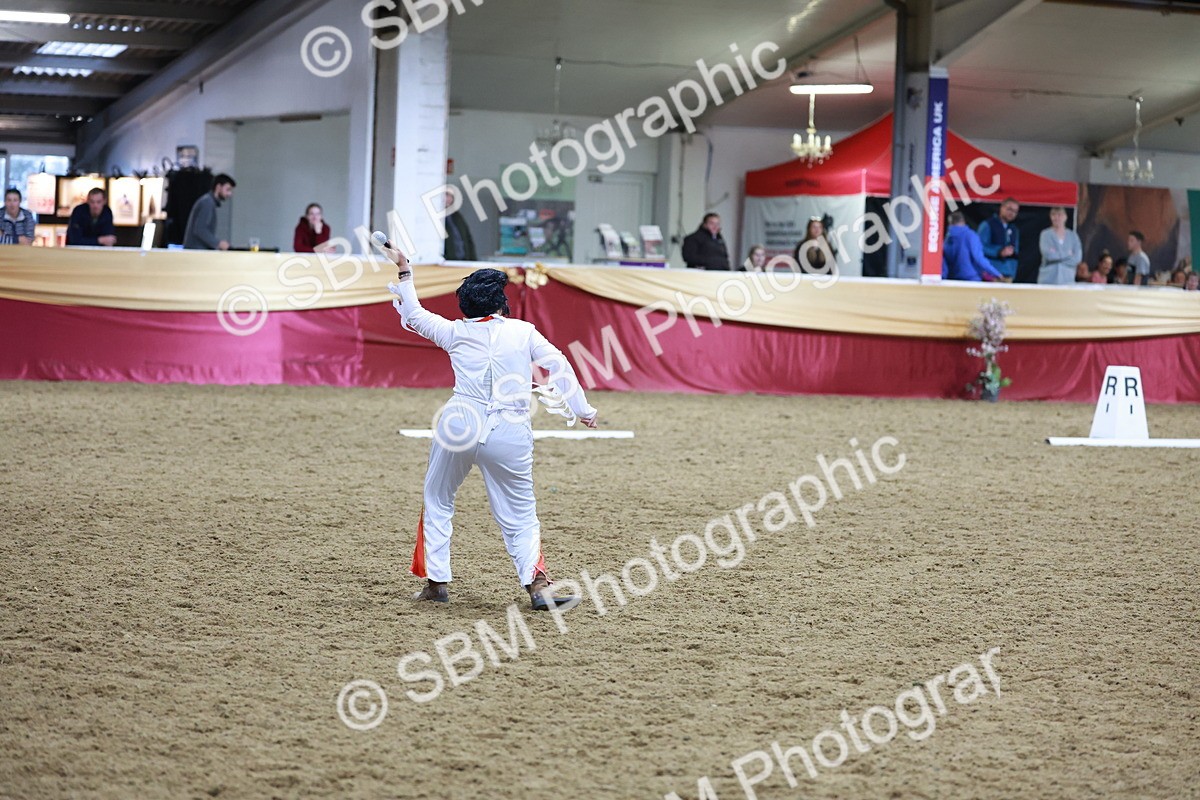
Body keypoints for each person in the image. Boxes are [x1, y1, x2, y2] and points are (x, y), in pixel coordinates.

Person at [377, 239, 597, 609]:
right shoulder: (523, 331)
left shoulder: (453, 332)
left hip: (459, 422)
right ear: (500, 304)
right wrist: (583, 409)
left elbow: (413, 313)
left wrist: (404, 269)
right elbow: (557, 364)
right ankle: (537, 587)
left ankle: (437, 582)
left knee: (437, 498)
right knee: (520, 513)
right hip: (510, 428)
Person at [942, 211, 1002, 281]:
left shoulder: (946, 240)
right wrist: (996, 273)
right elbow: (978, 258)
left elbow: (943, 262)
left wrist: (943, 278)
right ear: (963, 221)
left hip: (952, 279)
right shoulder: (971, 235)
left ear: (950, 223)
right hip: (971, 279)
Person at [183, 173, 236, 250]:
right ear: (218, 187)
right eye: (228, 189)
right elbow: (200, 229)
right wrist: (219, 243)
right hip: (197, 252)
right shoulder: (207, 202)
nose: (230, 194)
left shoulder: (207, 201)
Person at [1037, 206, 1083, 285]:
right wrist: (1068, 254)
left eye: (1059, 215)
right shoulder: (1045, 234)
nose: (1056, 217)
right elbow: (1048, 255)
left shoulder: (1073, 236)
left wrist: (1056, 254)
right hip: (1047, 280)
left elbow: (1077, 258)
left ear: (1065, 217)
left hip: (1067, 280)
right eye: (1053, 214)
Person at [978, 197, 1020, 280]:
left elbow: (1016, 252)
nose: (1012, 213)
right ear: (1002, 207)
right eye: (1009, 209)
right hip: (990, 274)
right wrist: (999, 252)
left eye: (1015, 211)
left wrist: (1012, 272)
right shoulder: (988, 224)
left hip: (1008, 275)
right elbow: (979, 247)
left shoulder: (1014, 229)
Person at [443, 190, 477, 261]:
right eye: (447, 195)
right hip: (447, 262)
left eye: (451, 196)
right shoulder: (438, 217)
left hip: (463, 261)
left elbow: (468, 238)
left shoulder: (457, 216)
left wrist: (473, 259)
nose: (449, 199)